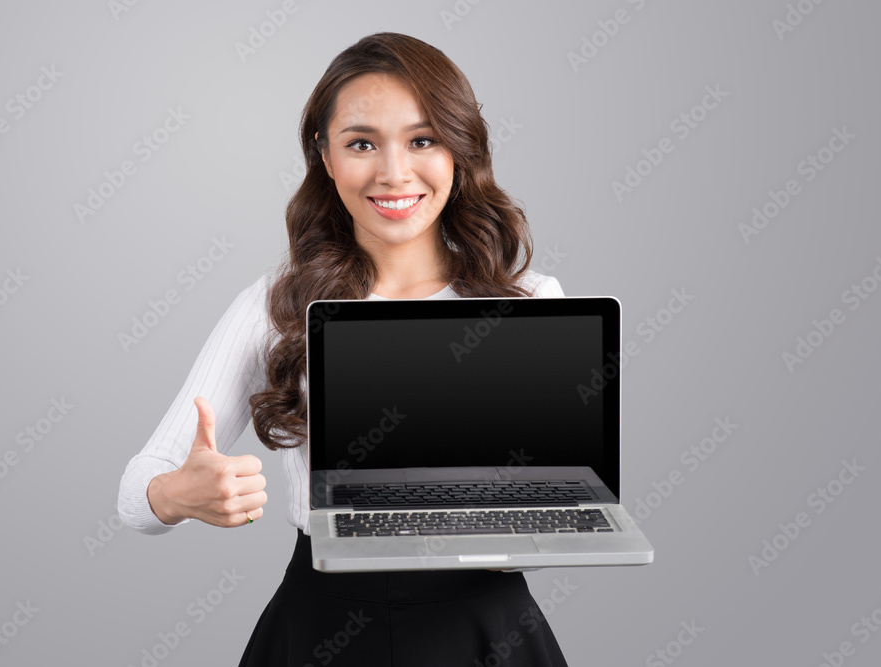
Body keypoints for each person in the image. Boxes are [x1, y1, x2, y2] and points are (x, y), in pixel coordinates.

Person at [118, 31, 569, 666]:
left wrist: (531, 527)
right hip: (318, 626)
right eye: (362, 143)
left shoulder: (530, 301)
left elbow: (556, 497)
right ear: (325, 157)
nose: (394, 172)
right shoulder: (274, 305)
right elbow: (136, 489)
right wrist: (176, 495)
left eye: (423, 139)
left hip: (484, 628)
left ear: (459, 151)